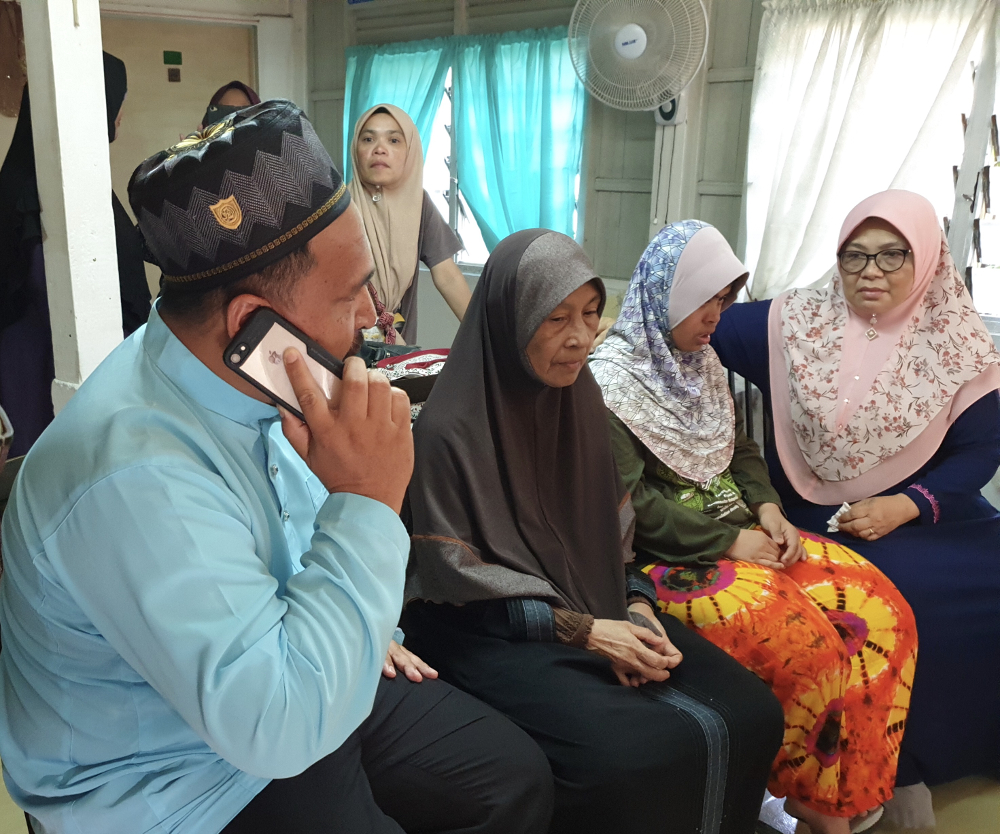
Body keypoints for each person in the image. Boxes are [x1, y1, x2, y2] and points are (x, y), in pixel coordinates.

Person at [0, 100, 552, 834]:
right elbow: (279, 728)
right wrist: (368, 503)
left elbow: (289, 540)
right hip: (175, 782)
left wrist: (356, 617)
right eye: (354, 291)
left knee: (510, 781)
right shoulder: (136, 474)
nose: (373, 318)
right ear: (251, 325)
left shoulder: (236, 375)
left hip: (273, 670)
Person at [401, 228, 785, 834]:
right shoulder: (448, 430)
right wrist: (587, 633)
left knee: (751, 711)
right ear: (509, 319)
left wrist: (636, 608)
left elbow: (616, 534)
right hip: (489, 630)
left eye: (589, 313)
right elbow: (453, 583)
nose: (580, 337)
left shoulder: (581, 401)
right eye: (555, 318)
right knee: (628, 756)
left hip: (598, 607)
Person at [590, 221, 918, 834]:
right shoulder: (607, 383)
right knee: (805, 645)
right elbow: (635, 510)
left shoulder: (701, 362)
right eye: (704, 298)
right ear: (665, 293)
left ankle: (844, 795)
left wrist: (768, 510)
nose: (716, 315)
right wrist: (730, 542)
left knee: (881, 612)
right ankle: (813, 804)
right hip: (673, 560)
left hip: (746, 531)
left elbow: (738, 450)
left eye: (723, 300)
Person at [712, 190, 1000, 827]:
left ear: (924, 258)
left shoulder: (958, 339)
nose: (871, 273)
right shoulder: (793, 321)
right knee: (902, 598)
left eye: (892, 256)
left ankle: (967, 744)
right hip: (822, 519)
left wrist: (907, 504)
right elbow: (697, 324)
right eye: (854, 257)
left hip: (926, 512)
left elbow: (980, 454)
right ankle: (895, 770)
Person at [0, 51, 151, 456]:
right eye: (117, 103)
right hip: (51, 386)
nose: (120, 117)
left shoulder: (18, 185)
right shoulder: (63, 198)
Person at [348, 103, 472, 344]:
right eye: (368, 139)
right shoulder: (337, 207)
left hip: (397, 345)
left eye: (393, 141)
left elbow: (447, 276)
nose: (379, 149)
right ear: (355, 149)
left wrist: (487, 337)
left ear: (410, 151)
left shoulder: (420, 204)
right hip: (345, 343)